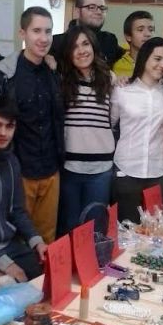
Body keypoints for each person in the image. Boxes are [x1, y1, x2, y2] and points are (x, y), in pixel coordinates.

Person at [0, 6, 64, 244]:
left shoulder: (54, 72)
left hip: (51, 171)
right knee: (17, 240)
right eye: (37, 31)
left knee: (46, 241)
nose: (44, 38)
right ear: (22, 33)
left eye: (48, 31)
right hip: (17, 172)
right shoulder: (2, 74)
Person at [0, 96, 47, 282]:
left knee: (46, 274)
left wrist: (37, 241)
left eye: (9, 126)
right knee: (10, 283)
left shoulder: (11, 161)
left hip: (9, 245)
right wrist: (5, 264)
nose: (3, 133)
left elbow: (18, 211)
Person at [58, 25, 115, 234]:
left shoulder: (110, 79)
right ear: (68, 52)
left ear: (93, 47)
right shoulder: (61, 80)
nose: (81, 51)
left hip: (101, 168)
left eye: (85, 44)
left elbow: (113, 119)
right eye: (75, 47)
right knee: (70, 227)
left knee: (96, 228)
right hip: (69, 167)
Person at [111, 37, 163, 223]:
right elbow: (109, 124)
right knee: (127, 230)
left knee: (155, 231)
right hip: (127, 170)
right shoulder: (122, 90)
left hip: (159, 171)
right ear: (145, 58)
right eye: (157, 59)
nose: (162, 65)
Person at [50, 0, 124, 69]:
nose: (99, 12)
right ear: (77, 11)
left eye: (102, 8)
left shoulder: (109, 40)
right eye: (91, 7)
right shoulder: (57, 43)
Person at [113, 10, 156, 78]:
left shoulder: (160, 64)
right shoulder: (118, 66)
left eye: (151, 30)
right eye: (140, 30)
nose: (148, 34)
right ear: (128, 36)